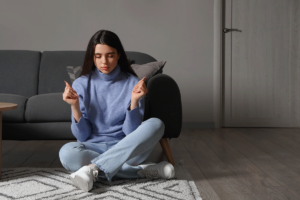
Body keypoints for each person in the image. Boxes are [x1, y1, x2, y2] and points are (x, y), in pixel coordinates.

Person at [59, 30, 175, 192]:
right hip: (93, 147)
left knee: (157, 124)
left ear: (119, 55)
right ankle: (140, 172)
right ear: (92, 57)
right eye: (98, 56)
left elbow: (131, 132)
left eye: (110, 55)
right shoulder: (81, 84)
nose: (104, 61)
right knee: (66, 153)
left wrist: (134, 101)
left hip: (127, 149)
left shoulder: (132, 82)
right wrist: (75, 106)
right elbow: (82, 136)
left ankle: (92, 169)